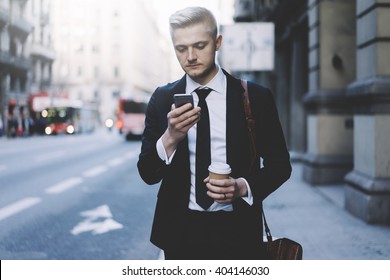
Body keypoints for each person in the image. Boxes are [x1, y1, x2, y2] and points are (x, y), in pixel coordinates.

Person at [137, 6, 291, 260]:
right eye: (181, 48)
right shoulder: (163, 99)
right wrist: (170, 137)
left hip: (238, 232)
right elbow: (147, 173)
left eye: (199, 45)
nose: (190, 56)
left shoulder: (255, 97)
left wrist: (243, 187)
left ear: (217, 42)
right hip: (180, 234)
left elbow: (281, 166)